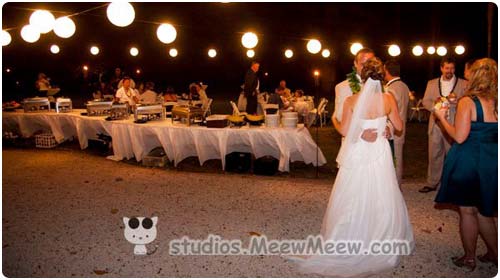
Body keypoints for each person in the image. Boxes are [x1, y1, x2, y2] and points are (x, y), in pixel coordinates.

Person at [291, 57, 414, 277]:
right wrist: (386, 125)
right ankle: (379, 239)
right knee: (381, 193)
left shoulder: (352, 101)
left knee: (353, 195)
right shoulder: (388, 99)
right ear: (380, 76)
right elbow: (399, 126)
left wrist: (337, 122)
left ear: (363, 76)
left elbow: (346, 131)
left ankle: (348, 237)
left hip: (358, 152)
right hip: (380, 151)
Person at [433, 58, 498, 271]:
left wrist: (441, 117)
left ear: (475, 75)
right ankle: (495, 254)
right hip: (492, 160)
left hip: (469, 160)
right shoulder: (497, 100)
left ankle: (469, 257)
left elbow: (459, 137)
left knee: (468, 211)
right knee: (485, 211)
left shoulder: (468, 101)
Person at [419, 57, 468, 193]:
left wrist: (457, 101)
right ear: (441, 68)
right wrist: (436, 105)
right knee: (434, 154)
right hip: (435, 123)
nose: (449, 71)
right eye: (447, 68)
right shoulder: (432, 83)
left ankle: (453, 183)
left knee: (452, 154)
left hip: (454, 124)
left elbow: (468, 103)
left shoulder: (463, 84)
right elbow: (425, 101)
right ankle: (432, 182)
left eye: (452, 68)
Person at [332, 48, 375, 133]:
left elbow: (388, 115)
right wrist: (362, 131)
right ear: (355, 63)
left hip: (378, 140)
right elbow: (340, 116)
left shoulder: (382, 86)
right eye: (363, 64)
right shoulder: (343, 87)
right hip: (353, 140)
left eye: (369, 64)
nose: (366, 68)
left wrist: (388, 128)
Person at [384, 59, 410, 186]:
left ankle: (394, 187)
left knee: (394, 159)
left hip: (393, 128)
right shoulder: (404, 86)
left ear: (386, 71)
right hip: (402, 126)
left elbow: (390, 111)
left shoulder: (390, 89)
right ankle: (396, 185)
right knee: (398, 158)